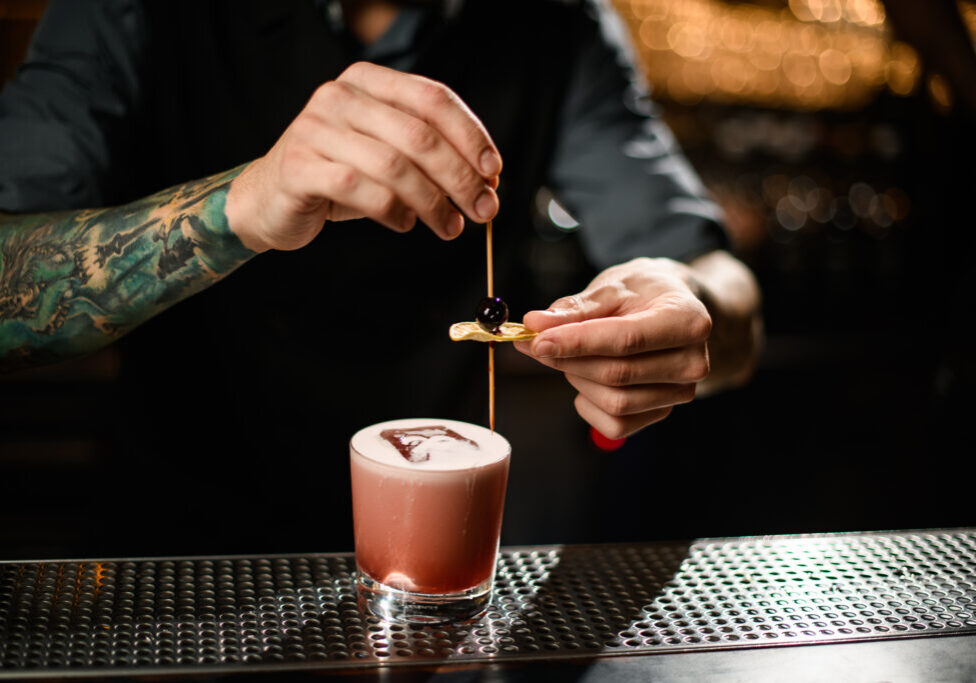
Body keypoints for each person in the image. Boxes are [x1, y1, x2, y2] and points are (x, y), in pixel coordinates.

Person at [0, 0, 761, 553]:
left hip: (431, 562)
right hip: (177, 553)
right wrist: (247, 201)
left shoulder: (561, 25)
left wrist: (683, 304)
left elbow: (723, 291)